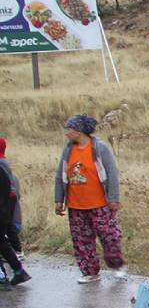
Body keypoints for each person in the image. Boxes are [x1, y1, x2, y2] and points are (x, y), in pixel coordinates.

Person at [53, 114, 127, 284]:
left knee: (109, 237)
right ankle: (90, 272)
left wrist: (113, 198)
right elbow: (60, 175)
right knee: (82, 240)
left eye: (69, 129)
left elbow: (112, 174)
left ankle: (117, 265)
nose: (67, 133)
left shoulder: (100, 148)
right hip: (76, 205)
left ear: (79, 131)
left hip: (100, 204)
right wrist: (59, 199)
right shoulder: (68, 149)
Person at [0, 138, 31, 289]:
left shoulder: (1, 167)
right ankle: (19, 272)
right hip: (4, 211)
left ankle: (2, 277)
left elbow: (9, 192)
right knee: (2, 244)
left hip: (3, 211)